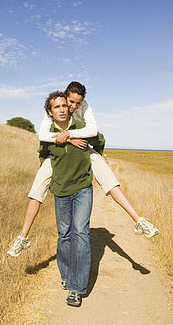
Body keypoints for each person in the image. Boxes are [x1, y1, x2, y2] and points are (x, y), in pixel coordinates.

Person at [8, 82, 158, 258]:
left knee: (109, 179)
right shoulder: (56, 105)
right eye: (70, 102)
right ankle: (23, 237)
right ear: (65, 97)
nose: (72, 107)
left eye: (77, 103)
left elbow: (93, 130)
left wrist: (70, 134)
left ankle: (138, 220)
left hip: (83, 149)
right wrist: (69, 139)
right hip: (57, 153)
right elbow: (43, 135)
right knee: (37, 189)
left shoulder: (84, 107)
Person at [37, 91, 97, 306]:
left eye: (65, 105)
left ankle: (76, 287)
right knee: (64, 235)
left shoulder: (82, 127)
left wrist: (70, 135)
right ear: (50, 112)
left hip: (83, 189)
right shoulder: (48, 134)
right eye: (57, 107)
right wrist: (64, 138)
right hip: (61, 191)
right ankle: (66, 274)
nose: (62, 109)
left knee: (80, 232)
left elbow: (96, 134)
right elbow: (41, 149)